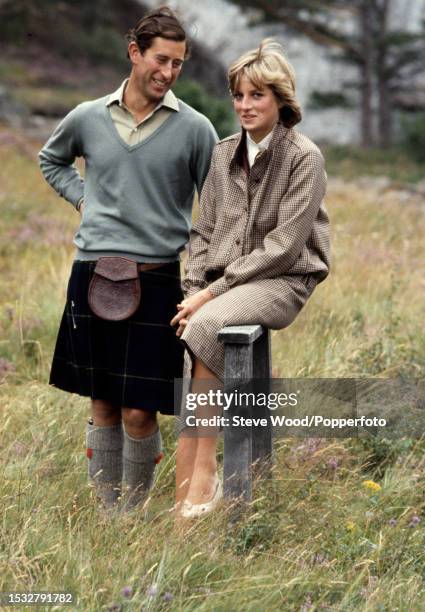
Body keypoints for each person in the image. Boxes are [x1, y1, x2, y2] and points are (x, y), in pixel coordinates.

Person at [38, 6, 217, 513]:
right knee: (102, 404)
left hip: (158, 277)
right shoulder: (88, 116)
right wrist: (81, 197)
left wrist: (203, 275)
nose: (168, 72)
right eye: (161, 59)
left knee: (141, 411)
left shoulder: (195, 129)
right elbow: (51, 159)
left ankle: (133, 513)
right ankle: (108, 515)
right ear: (134, 53)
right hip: (92, 271)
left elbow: (217, 206)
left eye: (179, 64)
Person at [171, 38, 330, 518]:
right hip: (224, 285)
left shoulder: (304, 157)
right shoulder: (222, 155)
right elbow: (203, 231)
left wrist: (212, 295)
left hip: (284, 280)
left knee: (201, 325)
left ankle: (200, 477)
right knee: (191, 323)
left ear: (281, 99)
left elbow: (283, 247)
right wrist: (193, 289)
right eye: (238, 95)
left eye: (256, 95)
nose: (244, 105)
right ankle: (195, 477)